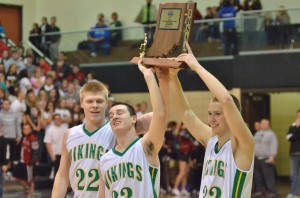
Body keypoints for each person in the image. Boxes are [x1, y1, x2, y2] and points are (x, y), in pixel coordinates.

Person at [169, 43, 254, 197]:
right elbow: (186, 112)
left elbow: (226, 100)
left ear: (231, 115)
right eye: (209, 113)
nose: (211, 119)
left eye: (217, 114)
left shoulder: (242, 143)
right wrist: (173, 78)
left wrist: (196, 67)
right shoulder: (211, 140)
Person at [51, 80, 152, 197]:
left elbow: (158, 118)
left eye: (99, 101)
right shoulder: (69, 134)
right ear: (81, 104)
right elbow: (62, 176)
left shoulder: (118, 129)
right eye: (89, 101)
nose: (95, 105)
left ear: (107, 104)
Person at [98, 60, 168, 198]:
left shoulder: (145, 146)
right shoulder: (105, 159)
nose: (114, 117)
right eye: (111, 115)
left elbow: (160, 114)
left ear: (134, 118)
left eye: (119, 113)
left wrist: (149, 75)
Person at [253, 119, 278, 197]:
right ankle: (259, 190)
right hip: (256, 158)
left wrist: (272, 156)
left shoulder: (271, 134)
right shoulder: (257, 134)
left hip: (266, 158)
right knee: (257, 176)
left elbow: (274, 145)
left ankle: (272, 192)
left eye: (265, 123)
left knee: (268, 177)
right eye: (262, 123)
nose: (263, 125)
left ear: (268, 125)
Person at [286, 110, 300, 198]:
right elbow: (288, 137)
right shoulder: (293, 125)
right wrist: (297, 128)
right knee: (294, 175)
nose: (299, 118)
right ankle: (294, 193)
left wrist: (297, 130)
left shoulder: (295, 127)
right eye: (298, 116)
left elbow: (293, 136)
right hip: (294, 154)